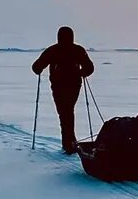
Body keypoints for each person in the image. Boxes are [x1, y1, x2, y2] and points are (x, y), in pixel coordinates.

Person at [31, 26, 95, 154]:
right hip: (73, 85)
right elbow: (89, 67)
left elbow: (36, 66)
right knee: (68, 111)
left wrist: (38, 69)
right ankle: (70, 142)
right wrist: (81, 73)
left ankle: (69, 143)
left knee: (65, 113)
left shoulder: (53, 50)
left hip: (59, 86)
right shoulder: (77, 50)